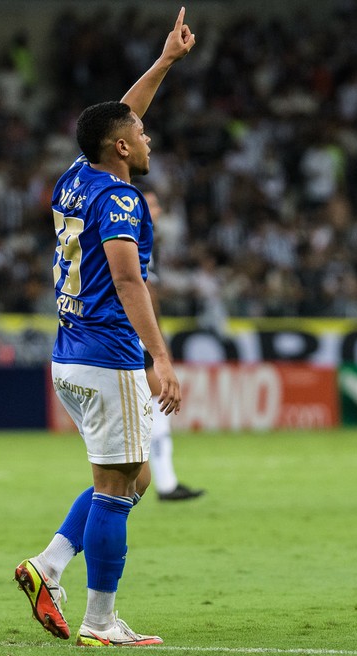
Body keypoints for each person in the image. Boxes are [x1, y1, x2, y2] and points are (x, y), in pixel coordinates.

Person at [14, 8, 194, 647]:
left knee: (133, 477)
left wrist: (166, 61)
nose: (147, 138)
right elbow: (127, 281)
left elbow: (118, 113)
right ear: (122, 148)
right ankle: (100, 620)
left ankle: (48, 567)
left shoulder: (76, 176)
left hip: (70, 353)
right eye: (140, 135)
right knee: (118, 487)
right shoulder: (120, 198)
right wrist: (161, 357)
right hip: (109, 353)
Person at [141, 189, 204, 502]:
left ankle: (165, 481)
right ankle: (162, 482)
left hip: (126, 331)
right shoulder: (138, 234)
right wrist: (158, 344)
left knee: (154, 400)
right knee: (158, 396)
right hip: (130, 331)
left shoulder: (142, 235)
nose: (159, 211)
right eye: (152, 204)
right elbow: (145, 290)